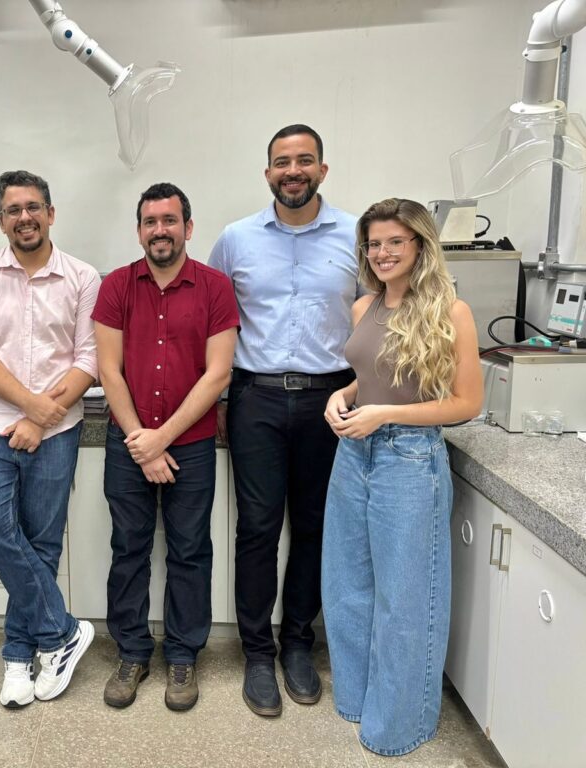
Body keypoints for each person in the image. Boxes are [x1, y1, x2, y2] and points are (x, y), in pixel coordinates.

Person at [208, 124, 360, 717]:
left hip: (331, 401)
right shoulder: (236, 239)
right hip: (256, 399)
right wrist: (220, 398)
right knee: (258, 529)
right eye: (280, 162)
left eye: (303, 161)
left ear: (323, 169)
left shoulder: (356, 234)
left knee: (316, 527)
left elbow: (377, 315)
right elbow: (219, 323)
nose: (291, 171)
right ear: (266, 172)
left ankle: (299, 642)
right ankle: (256, 652)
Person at [322, 198, 482, 756]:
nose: (383, 252)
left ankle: (398, 726)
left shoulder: (450, 311)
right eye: (374, 243)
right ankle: (359, 701)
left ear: (420, 245)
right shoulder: (365, 305)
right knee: (347, 588)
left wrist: (385, 414)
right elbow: (368, 375)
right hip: (354, 456)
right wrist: (341, 396)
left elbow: (465, 404)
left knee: (406, 598)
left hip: (409, 461)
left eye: (395, 241)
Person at [0, 170, 100, 709]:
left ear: (51, 213)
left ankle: (19, 657)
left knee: (42, 543)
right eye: (13, 209)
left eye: (34, 206)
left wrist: (42, 417)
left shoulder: (83, 277)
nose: (25, 217)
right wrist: (28, 406)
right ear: (1, 220)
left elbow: (88, 358)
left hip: (57, 431)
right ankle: (62, 632)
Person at [93, 183, 237, 712]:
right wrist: (143, 444)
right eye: (150, 221)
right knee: (128, 548)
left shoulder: (216, 287)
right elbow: (109, 369)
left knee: (189, 551)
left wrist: (163, 439)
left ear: (188, 227)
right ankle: (131, 652)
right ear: (139, 230)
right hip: (128, 442)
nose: (160, 230)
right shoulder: (115, 286)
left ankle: (182, 655)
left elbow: (217, 373)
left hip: (192, 445)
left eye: (170, 220)